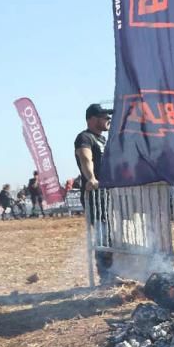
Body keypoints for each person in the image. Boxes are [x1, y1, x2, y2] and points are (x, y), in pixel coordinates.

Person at [75, 103, 115, 281]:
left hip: (109, 194)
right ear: (92, 119)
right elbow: (86, 158)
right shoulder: (85, 138)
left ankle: (114, 270)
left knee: (112, 234)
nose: (108, 120)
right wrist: (91, 178)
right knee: (102, 234)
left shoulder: (104, 140)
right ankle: (105, 276)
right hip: (95, 195)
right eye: (105, 117)